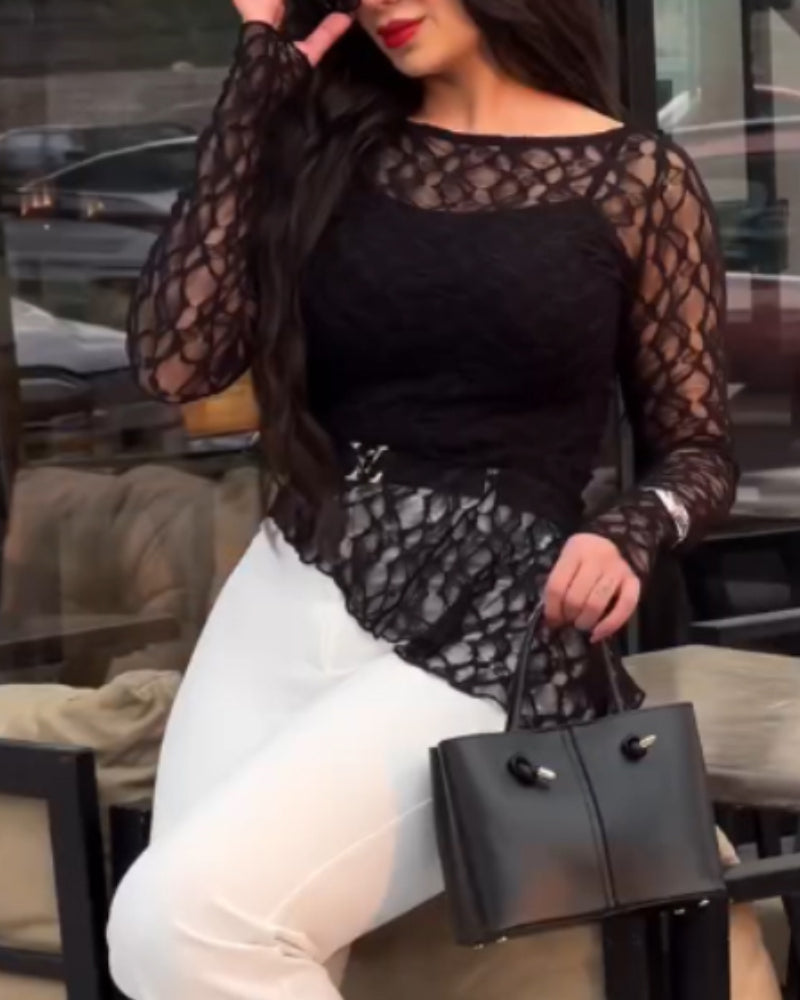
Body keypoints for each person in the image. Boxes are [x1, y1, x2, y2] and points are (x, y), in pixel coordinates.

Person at [106, 0, 737, 995]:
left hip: (491, 624)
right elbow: (174, 364)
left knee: (180, 924)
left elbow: (696, 448)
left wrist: (628, 529)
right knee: (160, 951)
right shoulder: (331, 146)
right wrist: (256, 87)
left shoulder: (637, 178)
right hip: (293, 584)